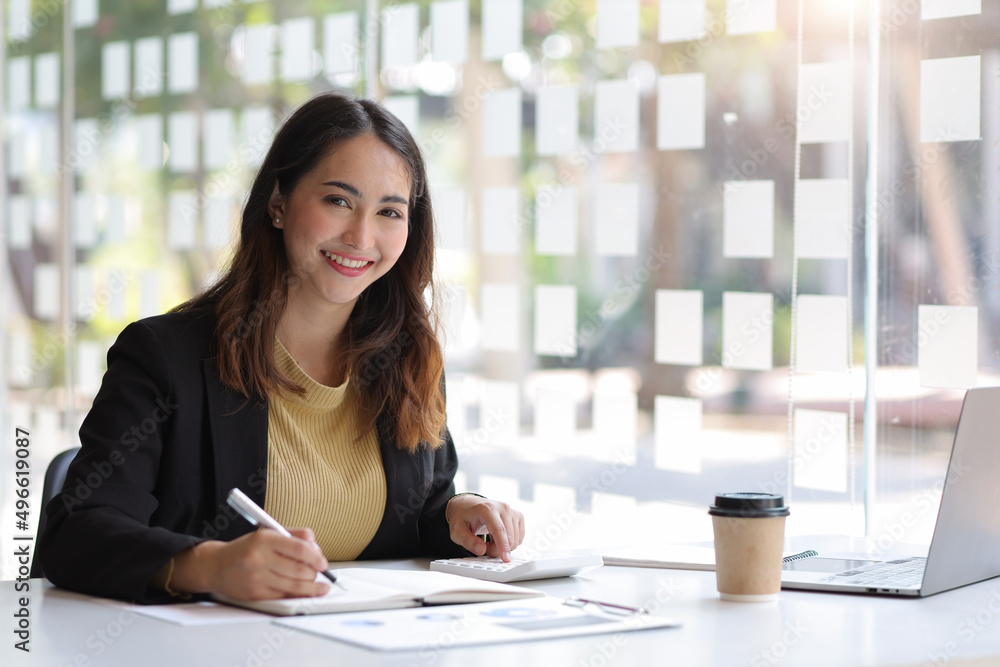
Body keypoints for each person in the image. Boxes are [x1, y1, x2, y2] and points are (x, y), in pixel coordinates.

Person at [38, 92, 525, 604]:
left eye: (389, 211)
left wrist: (460, 512)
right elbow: (75, 534)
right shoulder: (165, 356)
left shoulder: (407, 359)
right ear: (278, 203)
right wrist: (207, 566)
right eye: (338, 201)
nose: (361, 236)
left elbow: (417, 513)